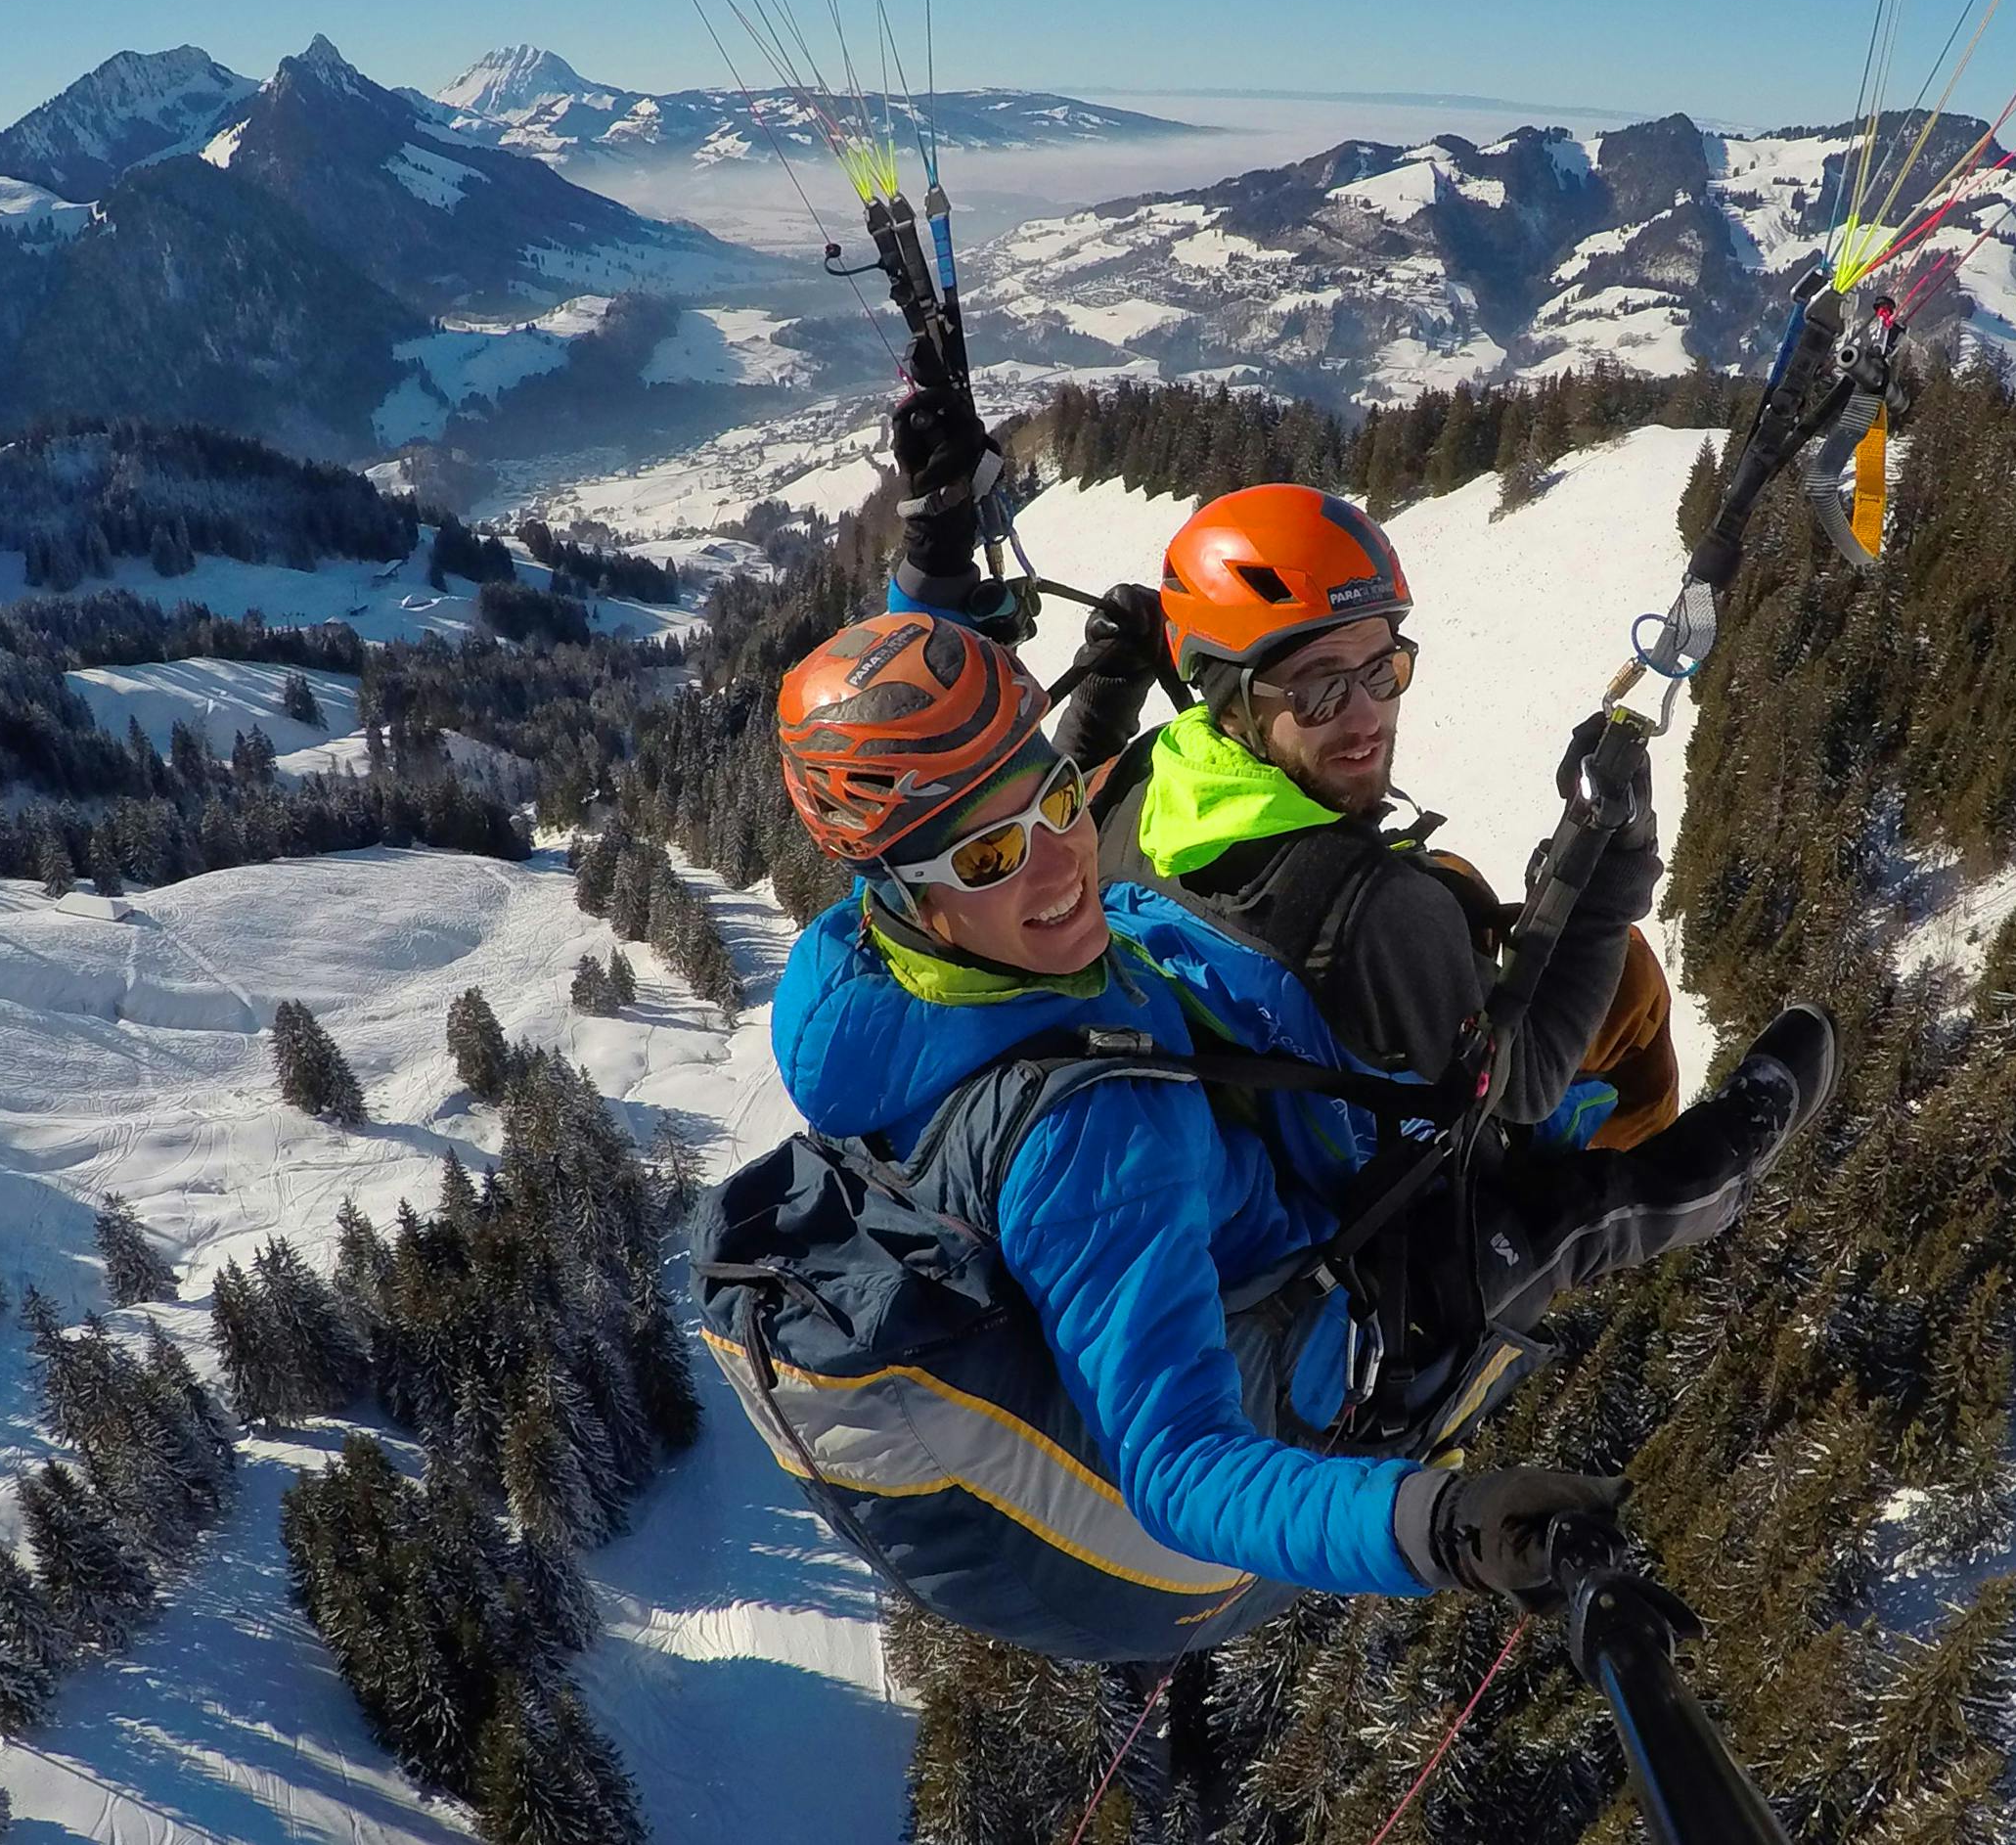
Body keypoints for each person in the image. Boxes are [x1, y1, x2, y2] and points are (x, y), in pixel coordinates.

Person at [751, 608, 1835, 1633]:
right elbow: (1177, 1468)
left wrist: (975, 620)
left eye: (1059, 803)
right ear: (901, 890)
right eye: (991, 858)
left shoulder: (853, 978)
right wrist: (1436, 1526)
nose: (1058, 865)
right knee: (1550, 1221)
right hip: (1310, 1370)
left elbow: (948, 790)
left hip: (1222, 1214)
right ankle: (1721, 1166)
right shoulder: (1098, 1140)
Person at [885, 380, 1683, 1153]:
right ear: (1229, 697)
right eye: (1319, 688)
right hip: (1392, 1158)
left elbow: (1068, 793)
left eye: (1382, 669)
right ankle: (1633, 1171)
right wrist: (1608, 865)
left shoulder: (1145, 779)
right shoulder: (1383, 915)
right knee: (1630, 991)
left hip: (1258, 1067)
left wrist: (1110, 684)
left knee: (1455, 882)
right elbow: (1527, 1081)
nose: (1367, 716)